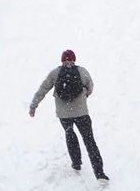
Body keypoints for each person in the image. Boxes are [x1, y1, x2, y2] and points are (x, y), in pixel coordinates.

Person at [28, 49, 107, 181]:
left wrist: (33, 105)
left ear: (62, 60)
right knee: (89, 140)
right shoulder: (82, 71)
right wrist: (84, 95)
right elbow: (90, 86)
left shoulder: (55, 73)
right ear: (74, 59)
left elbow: (43, 89)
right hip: (81, 112)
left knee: (70, 135)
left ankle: (76, 164)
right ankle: (99, 173)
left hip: (64, 114)